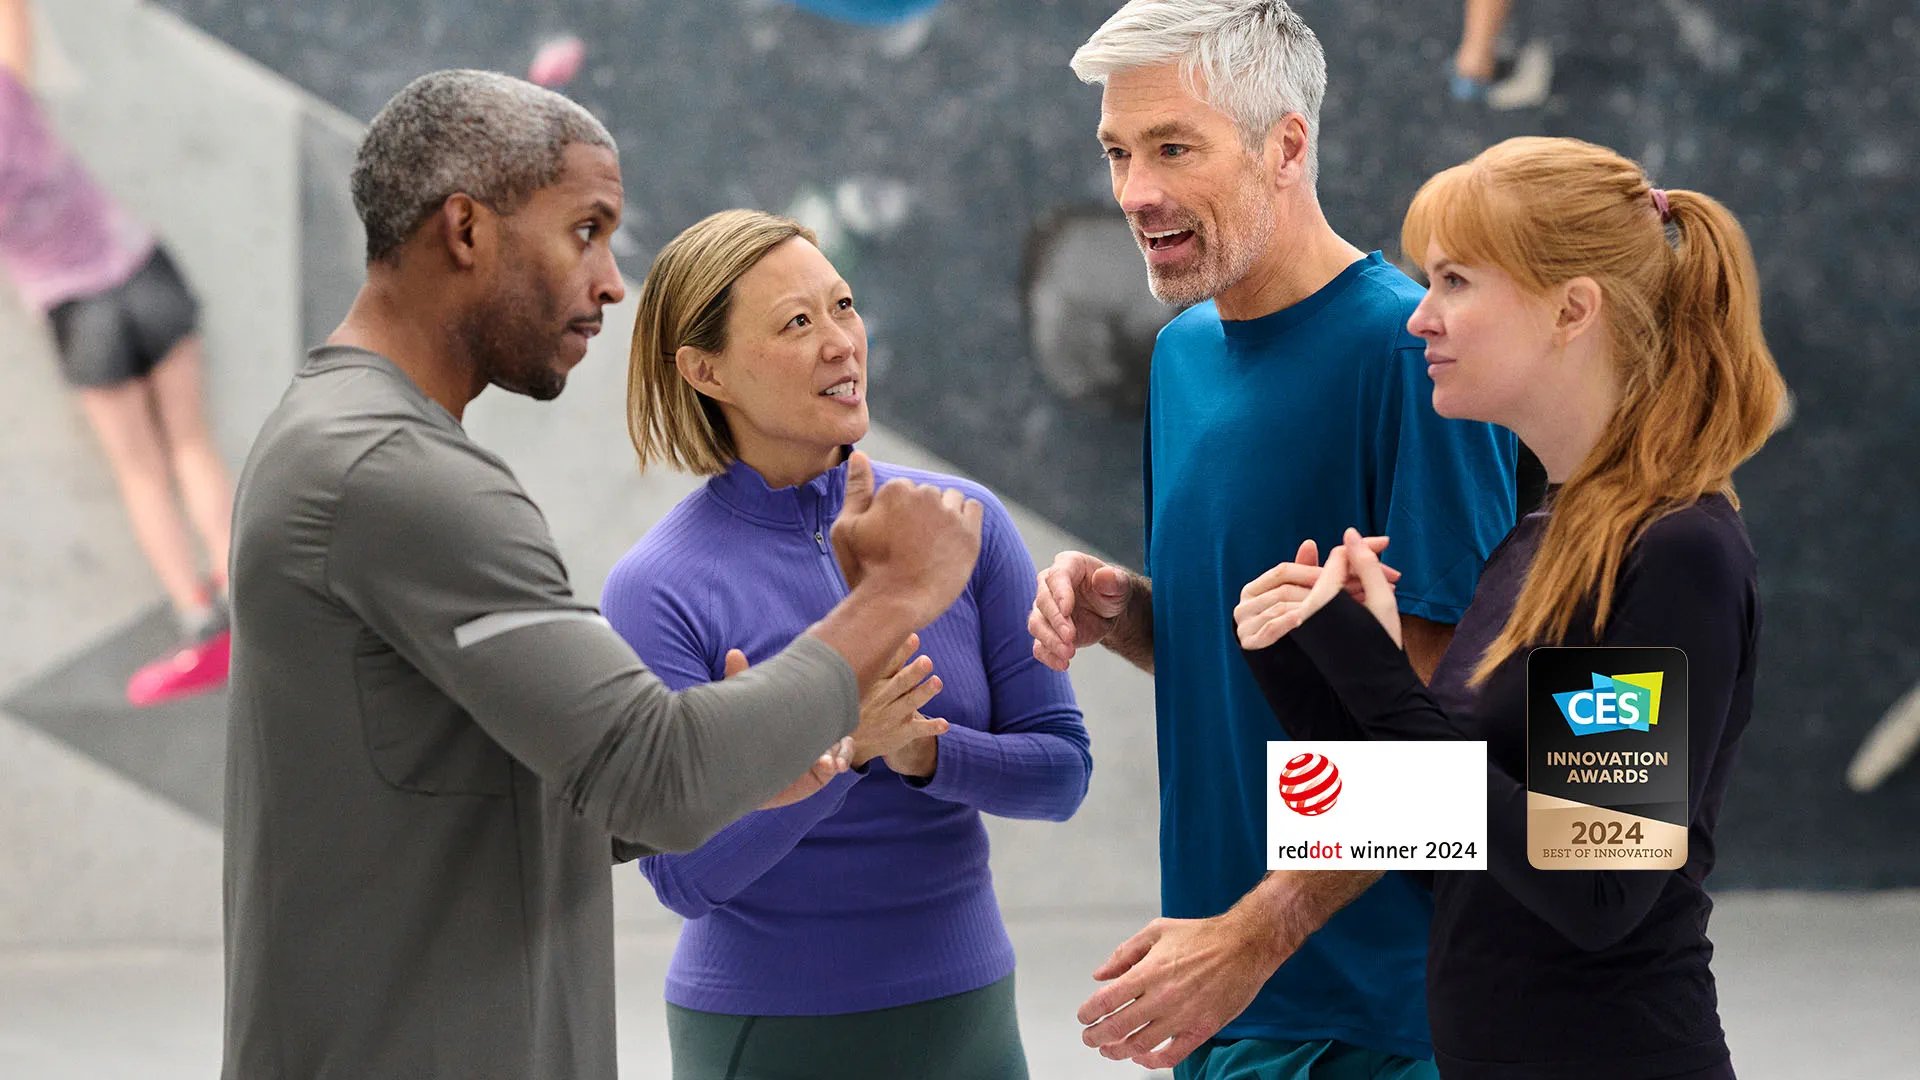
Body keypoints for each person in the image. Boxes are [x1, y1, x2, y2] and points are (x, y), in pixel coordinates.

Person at [222, 72, 987, 1080]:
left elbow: (528, 786)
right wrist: (894, 595)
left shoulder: (362, 450)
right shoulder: (389, 473)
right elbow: (658, 774)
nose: (612, 280)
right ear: (466, 231)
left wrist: (751, 761)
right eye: (586, 229)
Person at [1235, 135, 1785, 1079]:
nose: (1420, 321)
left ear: (1572, 310)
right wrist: (1307, 665)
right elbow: (1438, 851)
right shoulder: (1542, 534)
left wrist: (1377, 682)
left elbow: (1598, 883)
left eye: (1454, 281)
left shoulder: (1673, 549)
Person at [1043, 1, 1518, 1075]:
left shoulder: (1411, 359)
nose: (1134, 192)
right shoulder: (1181, 358)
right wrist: (1136, 618)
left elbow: (1449, 740)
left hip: (1376, 1021)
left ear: (1287, 146)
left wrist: (1256, 937)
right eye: (1118, 152)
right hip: (1215, 992)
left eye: (1173, 148)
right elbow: (1288, 665)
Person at [606, 208, 1092, 1079]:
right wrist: (843, 749)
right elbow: (681, 879)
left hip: (968, 1019)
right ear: (703, 369)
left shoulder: (957, 524)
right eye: (797, 323)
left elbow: (1062, 773)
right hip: (767, 1034)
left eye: (843, 305)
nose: (841, 342)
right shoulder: (658, 589)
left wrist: (920, 754)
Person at [0, 0, 233, 705]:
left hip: (78, 310)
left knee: (140, 472)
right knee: (192, 445)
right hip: (142, 268)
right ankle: (242, 590)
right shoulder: (8, 92)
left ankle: (199, 616)